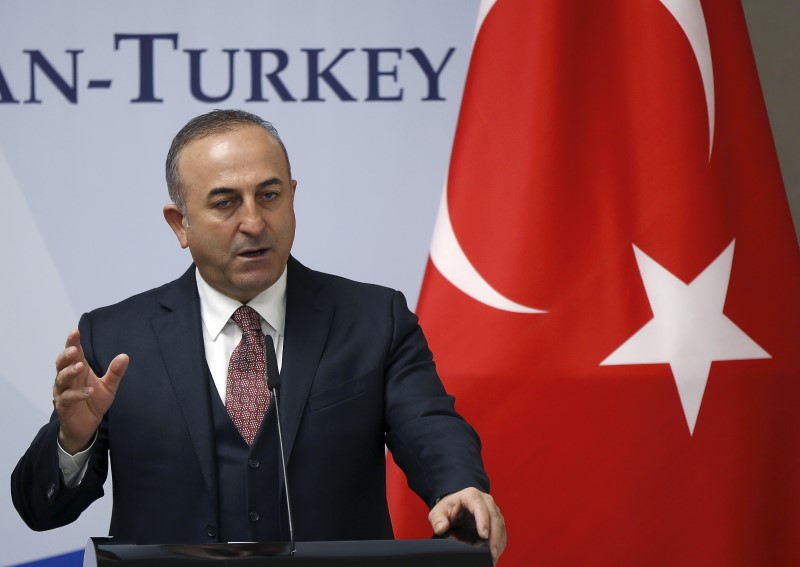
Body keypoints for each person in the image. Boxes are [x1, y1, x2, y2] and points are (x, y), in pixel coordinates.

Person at [11, 110, 506, 562]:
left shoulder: (374, 318)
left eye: (270, 196)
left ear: (293, 195)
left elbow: (428, 423)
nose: (254, 222)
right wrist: (72, 440)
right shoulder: (115, 336)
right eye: (225, 203)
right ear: (179, 224)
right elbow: (41, 511)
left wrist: (457, 485)